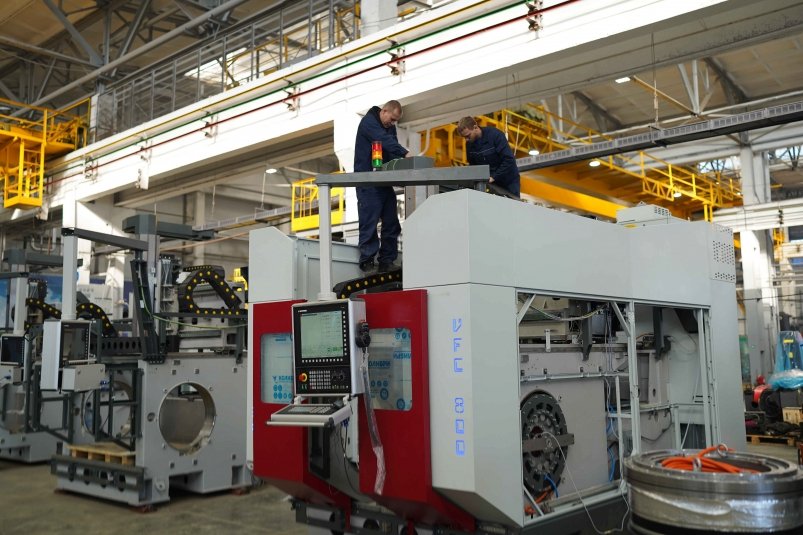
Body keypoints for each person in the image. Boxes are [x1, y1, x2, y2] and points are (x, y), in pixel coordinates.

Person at [353, 100, 410, 273]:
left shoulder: (389, 126)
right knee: (369, 220)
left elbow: (391, 150)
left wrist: (402, 169)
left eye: (395, 121)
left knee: (391, 221)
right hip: (367, 180)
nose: (392, 123)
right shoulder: (369, 123)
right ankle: (367, 260)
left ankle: (387, 261)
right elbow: (384, 140)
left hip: (383, 181)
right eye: (391, 119)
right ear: (384, 111)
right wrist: (405, 153)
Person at [456, 116, 520, 198]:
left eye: (468, 136)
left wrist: (494, 177)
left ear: (475, 127)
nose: (466, 140)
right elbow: (473, 166)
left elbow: (509, 160)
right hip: (490, 183)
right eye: (464, 137)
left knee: (512, 204)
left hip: (508, 182)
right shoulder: (469, 144)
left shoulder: (495, 135)